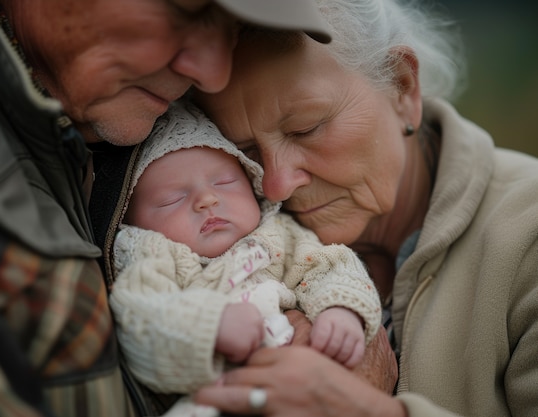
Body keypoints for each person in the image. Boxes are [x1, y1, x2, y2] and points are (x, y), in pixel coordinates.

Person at [0, 1, 335, 416]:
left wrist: (340, 362)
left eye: (234, 30)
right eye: (187, 10)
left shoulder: (93, 113)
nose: (212, 75)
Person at [190, 0, 538, 416]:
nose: (276, 184)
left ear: (402, 86)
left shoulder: (527, 231)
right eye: (245, 152)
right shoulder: (230, 232)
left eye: (306, 128)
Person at [108, 100, 382, 416]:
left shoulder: (278, 235)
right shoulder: (151, 256)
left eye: (225, 182)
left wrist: (341, 310)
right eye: (172, 199)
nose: (207, 199)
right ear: (132, 220)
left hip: (307, 384)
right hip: (214, 399)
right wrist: (209, 328)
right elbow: (140, 319)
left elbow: (330, 264)